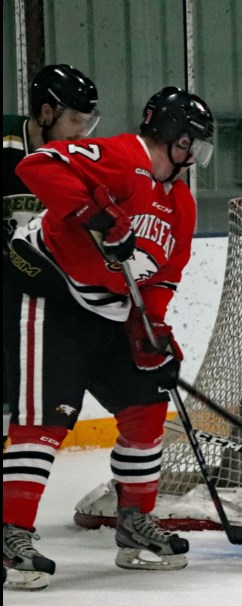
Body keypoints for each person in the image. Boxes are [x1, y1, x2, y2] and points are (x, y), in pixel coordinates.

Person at [2, 86, 214, 590]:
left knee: (145, 404)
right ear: (171, 136)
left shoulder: (180, 202)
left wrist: (153, 331)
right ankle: (11, 535)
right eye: (192, 142)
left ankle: (133, 525)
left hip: (111, 311)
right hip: (48, 293)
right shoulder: (122, 156)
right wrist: (90, 213)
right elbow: (38, 167)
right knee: (45, 419)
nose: (196, 155)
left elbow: (163, 276)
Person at [3, 64, 100, 447]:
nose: (83, 132)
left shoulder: (79, 159)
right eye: (75, 120)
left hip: (26, 289)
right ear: (46, 113)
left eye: (88, 123)